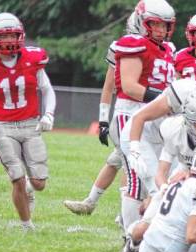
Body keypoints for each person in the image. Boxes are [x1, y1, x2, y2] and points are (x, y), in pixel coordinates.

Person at [0, 12, 56, 231]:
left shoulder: (33, 59)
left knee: (39, 184)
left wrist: (49, 115)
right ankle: (27, 226)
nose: (9, 41)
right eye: (4, 36)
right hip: (3, 128)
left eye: (13, 36)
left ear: (21, 36)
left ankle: (29, 187)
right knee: (16, 176)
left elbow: (47, 90)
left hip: (30, 124)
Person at [109, 0, 175, 235]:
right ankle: (130, 236)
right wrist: (168, 99)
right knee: (137, 179)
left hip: (157, 117)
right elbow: (130, 86)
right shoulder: (133, 43)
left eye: (164, 25)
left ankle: (150, 230)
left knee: (160, 178)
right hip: (130, 114)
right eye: (154, 24)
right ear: (140, 22)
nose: (160, 30)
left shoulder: (169, 49)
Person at [63, 12, 139, 216]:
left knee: (126, 161)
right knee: (119, 160)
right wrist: (103, 120)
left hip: (150, 115)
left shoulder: (164, 50)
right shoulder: (121, 47)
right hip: (127, 114)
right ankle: (93, 203)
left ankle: (124, 211)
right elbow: (108, 86)